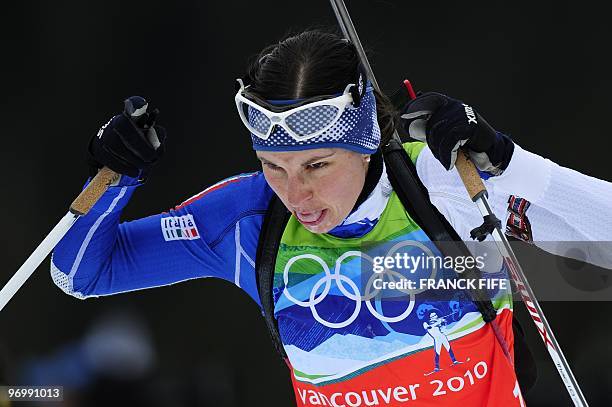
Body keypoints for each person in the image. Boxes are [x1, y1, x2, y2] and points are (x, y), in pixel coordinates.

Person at [51, 29, 612, 406]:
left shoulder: (438, 179)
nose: (297, 193)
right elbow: (81, 274)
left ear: (366, 139)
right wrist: (115, 178)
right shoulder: (250, 220)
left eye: (318, 164)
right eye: (273, 165)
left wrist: (510, 163)